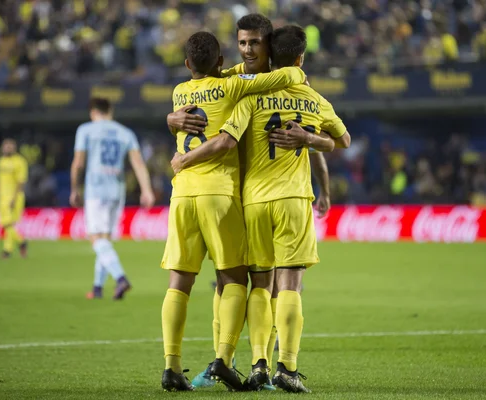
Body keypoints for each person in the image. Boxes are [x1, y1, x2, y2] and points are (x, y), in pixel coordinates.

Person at [171, 25, 351, 393]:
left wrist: (182, 156)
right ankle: (276, 366)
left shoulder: (247, 95)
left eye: (254, 43)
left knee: (253, 283)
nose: (248, 49)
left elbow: (223, 135)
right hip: (281, 199)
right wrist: (311, 142)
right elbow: (339, 140)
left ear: (268, 47)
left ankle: (252, 364)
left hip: (248, 199)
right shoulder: (305, 94)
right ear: (299, 57)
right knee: (280, 285)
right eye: (242, 43)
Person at [69, 97, 155, 300]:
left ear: (93, 112)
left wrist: (74, 188)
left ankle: (120, 278)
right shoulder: (125, 133)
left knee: (96, 239)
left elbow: (78, 163)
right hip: (117, 189)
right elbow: (138, 163)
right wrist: (146, 190)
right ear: (110, 111)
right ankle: (98, 288)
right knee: (105, 239)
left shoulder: (86, 130)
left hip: (96, 189)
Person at [0, 138, 29, 259]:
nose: (8, 148)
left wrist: (14, 198)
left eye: (10, 146)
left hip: (15, 197)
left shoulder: (20, 161)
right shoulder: (1, 162)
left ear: (15, 147)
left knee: (8, 223)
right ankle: (18, 243)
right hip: (2, 197)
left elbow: (21, 182)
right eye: (6, 146)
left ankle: (9, 249)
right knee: (6, 225)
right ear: (2, 147)